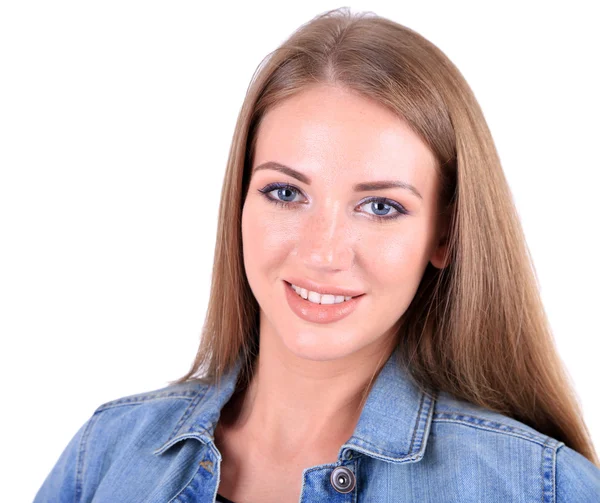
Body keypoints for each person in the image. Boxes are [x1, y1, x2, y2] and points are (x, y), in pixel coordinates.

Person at [34, 7, 600, 502]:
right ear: (239, 203)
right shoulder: (106, 454)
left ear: (445, 235)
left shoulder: (538, 486)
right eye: (286, 193)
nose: (323, 252)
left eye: (380, 207)